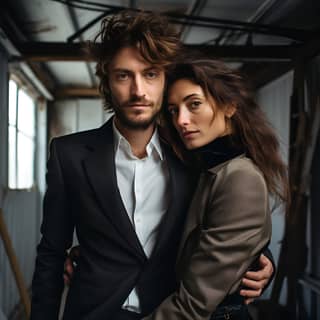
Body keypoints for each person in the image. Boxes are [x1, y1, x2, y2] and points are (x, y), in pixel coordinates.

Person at [31, 10, 274, 320]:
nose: (138, 91)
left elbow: (225, 225)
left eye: (150, 74)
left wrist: (263, 261)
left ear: (164, 80)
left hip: (172, 310)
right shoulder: (69, 154)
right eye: (123, 75)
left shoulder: (194, 154)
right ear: (106, 80)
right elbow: (51, 253)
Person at [141, 58, 289, 320]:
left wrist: (254, 256)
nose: (181, 120)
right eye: (174, 110)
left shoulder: (240, 177)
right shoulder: (200, 167)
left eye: (194, 104)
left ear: (229, 106)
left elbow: (193, 304)